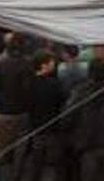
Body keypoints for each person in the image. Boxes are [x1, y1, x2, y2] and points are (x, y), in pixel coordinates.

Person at [0, 33, 34, 179]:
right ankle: (16, 177)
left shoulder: (0, 63)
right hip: (23, 113)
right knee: (20, 151)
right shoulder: (28, 64)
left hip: (4, 113)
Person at [22, 49, 65, 181]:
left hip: (35, 128)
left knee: (36, 164)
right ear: (43, 65)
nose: (54, 64)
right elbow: (62, 102)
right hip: (53, 129)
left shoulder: (28, 82)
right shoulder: (55, 84)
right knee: (55, 165)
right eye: (51, 62)